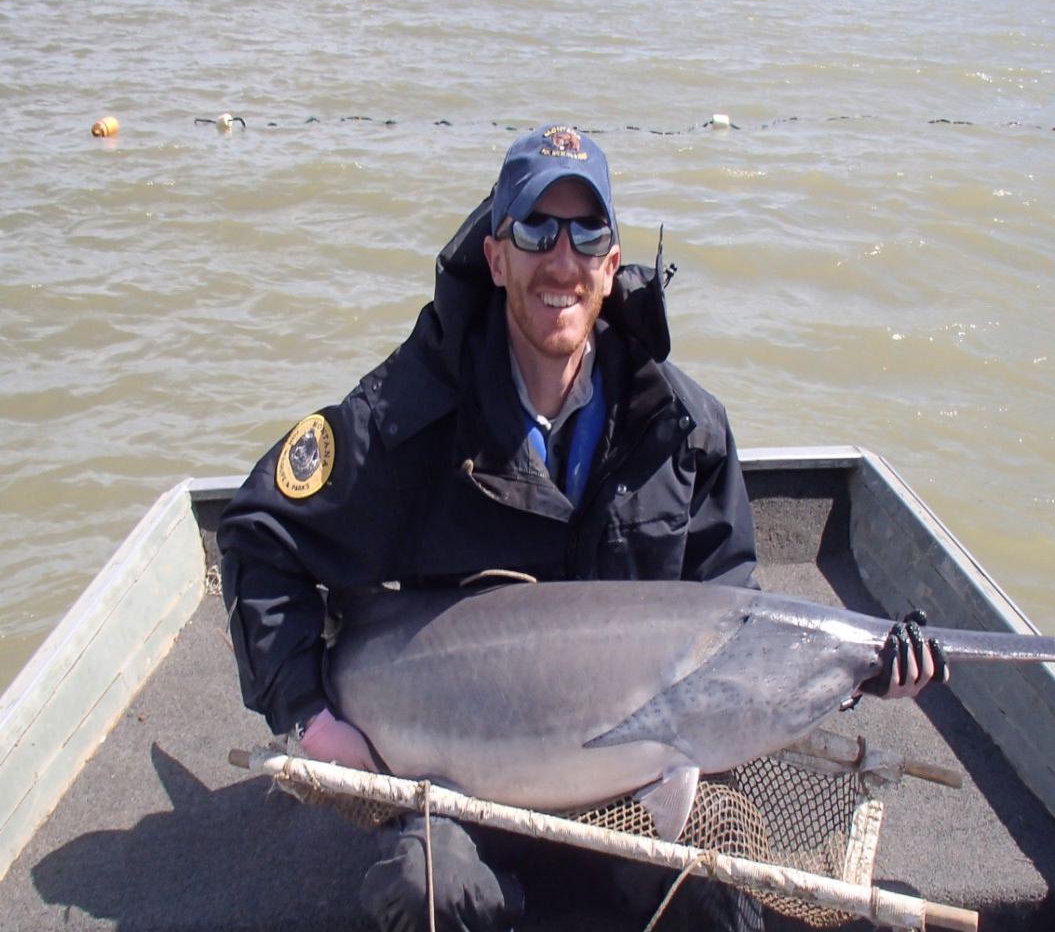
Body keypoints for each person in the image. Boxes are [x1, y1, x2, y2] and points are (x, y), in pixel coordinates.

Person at [217, 123, 943, 932]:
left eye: (585, 232)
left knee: (721, 897)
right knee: (427, 892)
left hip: (632, 787)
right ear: (497, 257)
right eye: (535, 229)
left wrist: (858, 669)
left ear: (610, 261)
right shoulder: (404, 413)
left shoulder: (685, 428)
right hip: (454, 785)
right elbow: (258, 535)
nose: (561, 259)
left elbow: (733, 636)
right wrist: (314, 718)